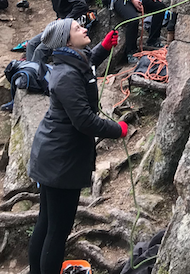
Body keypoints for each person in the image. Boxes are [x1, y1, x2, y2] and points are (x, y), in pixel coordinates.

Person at [28, 18, 126, 274]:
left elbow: (86, 62)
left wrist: (103, 48)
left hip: (54, 155)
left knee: (47, 222)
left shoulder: (71, 61)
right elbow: (84, 120)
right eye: (76, 28)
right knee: (57, 231)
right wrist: (117, 130)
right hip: (61, 160)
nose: (84, 28)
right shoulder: (66, 75)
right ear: (67, 41)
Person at [25, 0, 90, 65]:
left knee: (40, 50)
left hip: (73, 23)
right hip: (62, 24)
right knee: (31, 44)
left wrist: (66, 21)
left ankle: (34, 76)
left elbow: (81, 5)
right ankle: (28, 70)